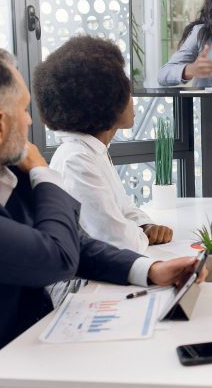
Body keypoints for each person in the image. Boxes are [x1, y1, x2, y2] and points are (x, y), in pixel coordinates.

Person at [0, 47, 204, 388]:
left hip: (31, 354)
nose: (31, 121)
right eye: (23, 109)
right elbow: (54, 256)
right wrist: (43, 172)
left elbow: (73, 243)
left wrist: (150, 269)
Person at [33, 35, 173, 254]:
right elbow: (118, 240)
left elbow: (124, 207)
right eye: (125, 91)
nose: (131, 99)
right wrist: (139, 233)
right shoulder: (76, 159)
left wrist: (146, 225)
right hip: (86, 284)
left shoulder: (94, 150)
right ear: (106, 99)